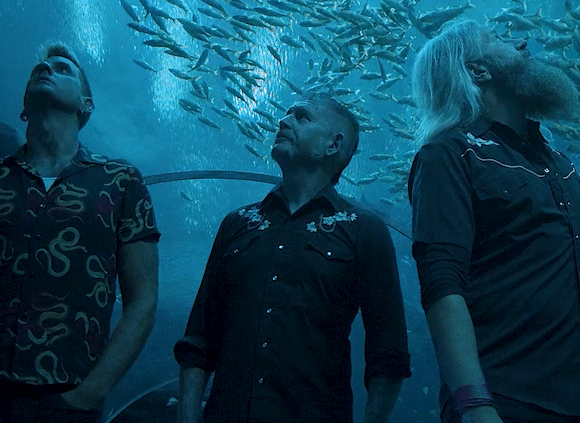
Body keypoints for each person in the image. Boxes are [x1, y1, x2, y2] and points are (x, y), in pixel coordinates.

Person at [407, 20, 580, 424]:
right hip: (510, 401)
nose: (522, 41)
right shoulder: (449, 154)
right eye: (499, 38)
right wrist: (474, 404)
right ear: (478, 71)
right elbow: (441, 282)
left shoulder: (558, 164)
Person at [0, 42, 160, 423]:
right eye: (39, 70)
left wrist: (89, 395)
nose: (46, 70)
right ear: (23, 105)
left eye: (63, 69)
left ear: (86, 105)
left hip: (67, 395)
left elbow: (142, 302)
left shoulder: (121, 183)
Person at [174, 95, 411, 423]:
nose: (284, 121)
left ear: (334, 144)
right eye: (286, 114)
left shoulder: (364, 230)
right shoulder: (237, 224)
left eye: (302, 117)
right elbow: (199, 339)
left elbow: (389, 353)